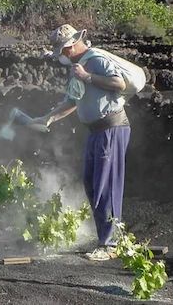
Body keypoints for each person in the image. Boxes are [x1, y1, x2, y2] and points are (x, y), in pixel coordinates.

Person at [31, 24, 131, 261]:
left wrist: (87, 76)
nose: (62, 55)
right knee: (92, 184)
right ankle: (106, 239)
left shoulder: (94, 59)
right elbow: (73, 100)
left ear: (74, 44)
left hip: (112, 128)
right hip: (96, 131)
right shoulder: (77, 67)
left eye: (64, 50)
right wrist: (48, 119)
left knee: (105, 186)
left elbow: (119, 84)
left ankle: (110, 244)